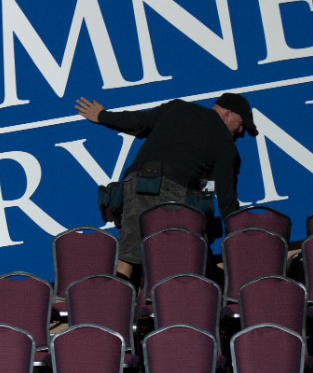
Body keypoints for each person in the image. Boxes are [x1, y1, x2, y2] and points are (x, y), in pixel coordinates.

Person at [75, 92, 258, 280]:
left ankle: (118, 305)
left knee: (128, 255)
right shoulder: (225, 143)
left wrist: (102, 115)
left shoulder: (178, 107)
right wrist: (241, 236)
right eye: (242, 123)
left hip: (134, 183)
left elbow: (138, 121)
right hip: (171, 192)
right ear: (228, 114)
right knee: (168, 262)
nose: (241, 131)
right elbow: (224, 196)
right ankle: (163, 304)